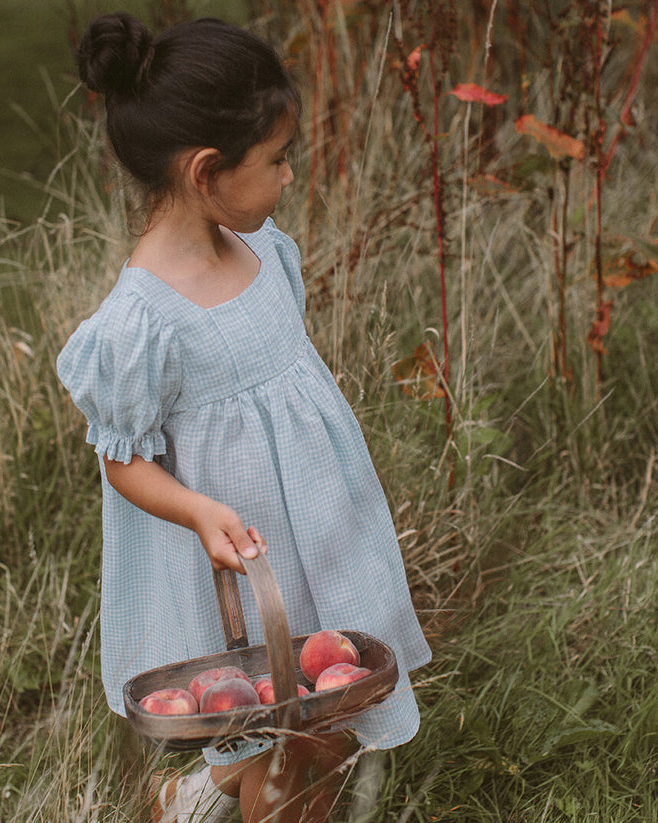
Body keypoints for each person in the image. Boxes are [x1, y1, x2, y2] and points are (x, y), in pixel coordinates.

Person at [57, 11, 432, 822]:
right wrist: (196, 509)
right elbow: (121, 459)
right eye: (277, 161)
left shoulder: (264, 250)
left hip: (318, 530)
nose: (289, 178)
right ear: (205, 172)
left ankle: (205, 791)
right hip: (237, 562)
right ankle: (254, 792)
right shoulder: (141, 323)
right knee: (297, 740)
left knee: (323, 711)